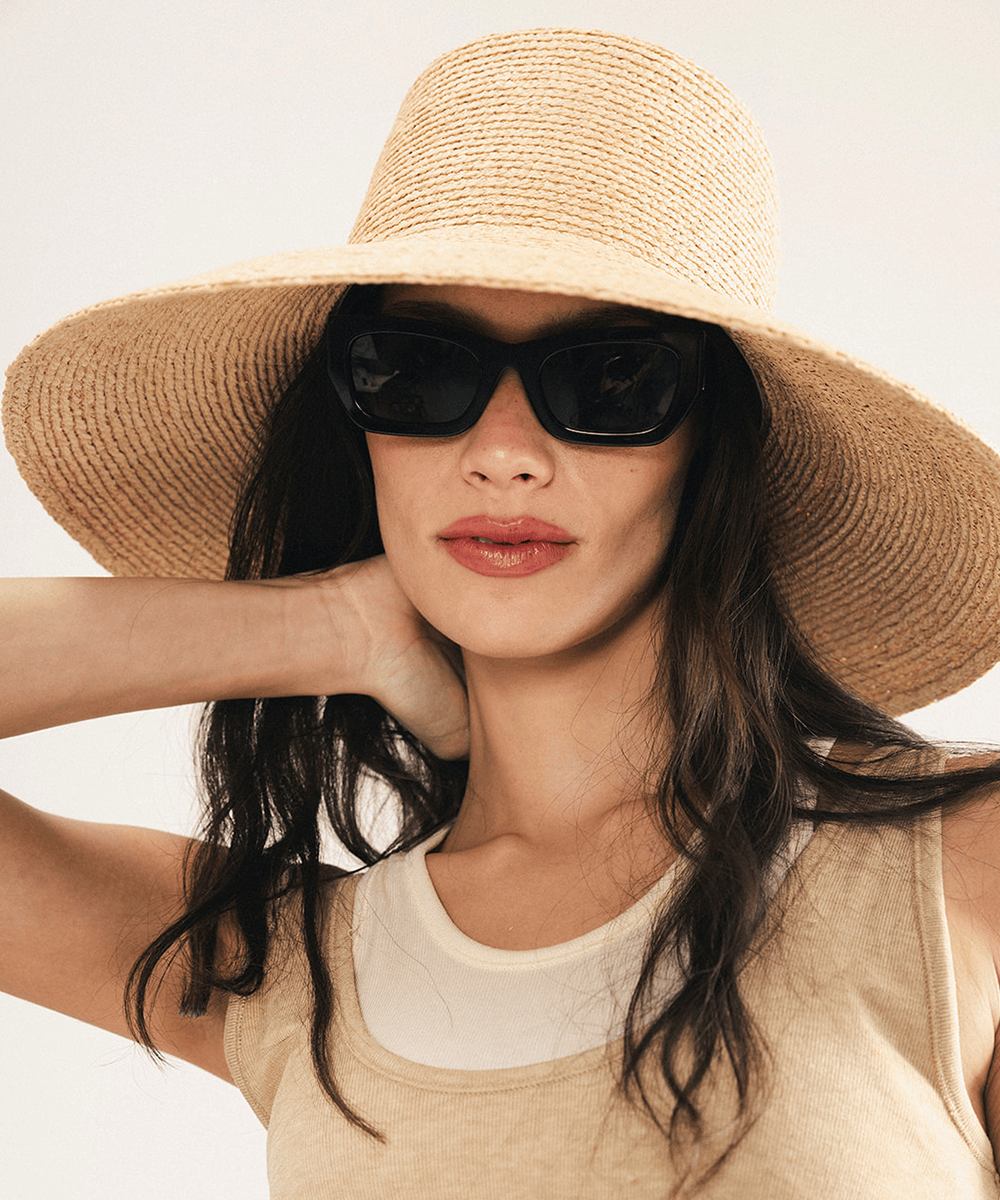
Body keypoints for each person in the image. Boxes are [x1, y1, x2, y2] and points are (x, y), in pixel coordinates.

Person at [3, 25, 1000, 1199]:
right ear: (355, 423)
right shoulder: (296, 977)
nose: (506, 454)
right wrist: (329, 624)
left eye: (611, 381)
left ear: (714, 442)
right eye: (419, 373)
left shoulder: (961, 867)